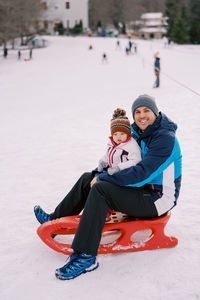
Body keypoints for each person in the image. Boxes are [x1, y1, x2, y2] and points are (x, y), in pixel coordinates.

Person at [34, 94, 182, 280]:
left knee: (101, 189)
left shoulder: (164, 138)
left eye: (147, 111)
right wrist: (99, 173)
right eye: (137, 112)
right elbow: (123, 159)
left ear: (155, 112)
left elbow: (141, 173)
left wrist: (105, 178)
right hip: (143, 189)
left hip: (158, 198)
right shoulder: (139, 132)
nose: (142, 116)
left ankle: (85, 256)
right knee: (89, 178)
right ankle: (56, 220)